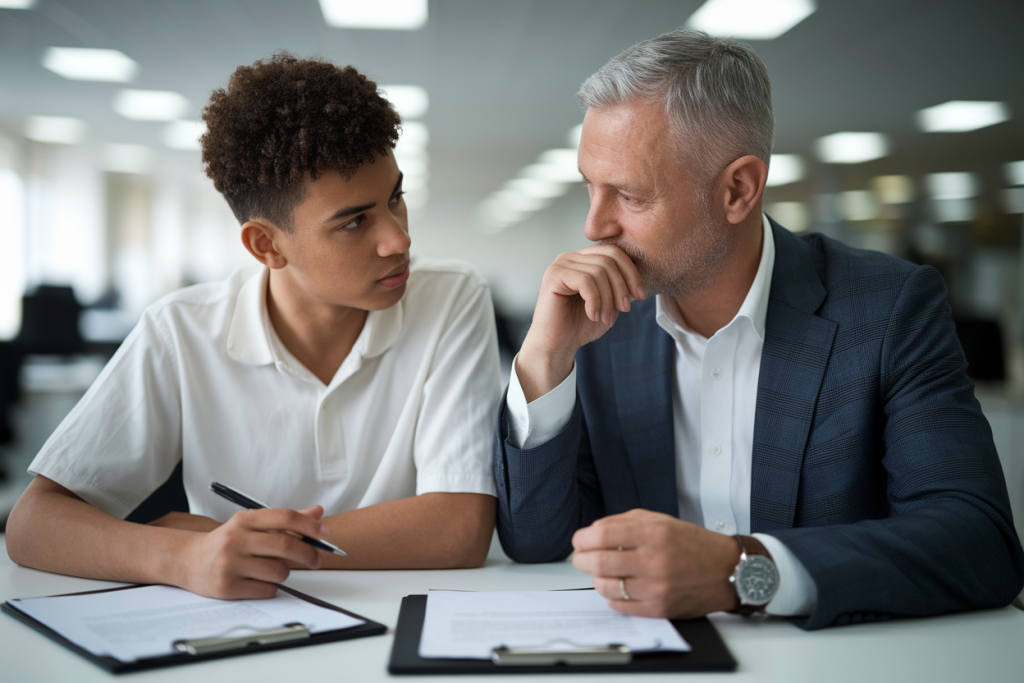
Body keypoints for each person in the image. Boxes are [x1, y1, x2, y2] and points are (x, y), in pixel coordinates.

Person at [494, 28, 1024, 629]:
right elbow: (536, 544)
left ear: (737, 190)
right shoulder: (600, 320)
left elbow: (980, 543)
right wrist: (543, 360)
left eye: (629, 196)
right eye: (591, 187)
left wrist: (739, 571)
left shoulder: (890, 309)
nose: (594, 227)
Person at [7, 53, 501, 598]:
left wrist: (220, 535)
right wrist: (185, 555)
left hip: (403, 623)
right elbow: (33, 525)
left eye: (395, 199)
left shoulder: (451, 295)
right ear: (266, 245)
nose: (399, 240)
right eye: (356, 220)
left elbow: (458, 531)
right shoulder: (180, 330)